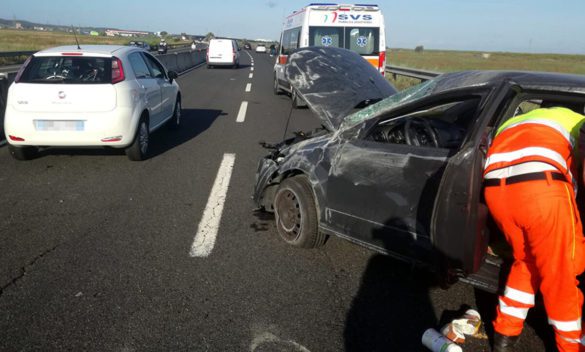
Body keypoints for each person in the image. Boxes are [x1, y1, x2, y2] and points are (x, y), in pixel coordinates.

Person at [483, 106, 585, 352]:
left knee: (526, 260)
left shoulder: (520, 119)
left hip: (496, 191)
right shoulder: (579, 123)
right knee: (561, 274)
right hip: (540, 188)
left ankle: (504, 335)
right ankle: (571, 347)